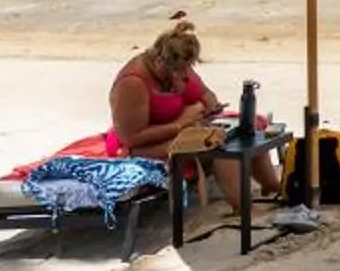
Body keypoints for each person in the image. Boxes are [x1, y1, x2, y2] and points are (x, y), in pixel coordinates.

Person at [106, 12, 279, 217]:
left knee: (245, 130)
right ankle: (243, 208)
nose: (186, 75)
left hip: (183, 128)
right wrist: (181, 125)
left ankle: (272, 186)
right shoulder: (133, 83)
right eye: (181, 71)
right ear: (161, 63)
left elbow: (206, 95)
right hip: (138, 147)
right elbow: (131, 137)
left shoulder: (179, 67)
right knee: (215, 146)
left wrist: (208, 108)